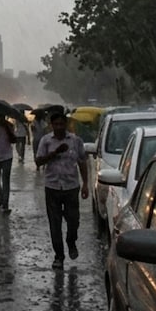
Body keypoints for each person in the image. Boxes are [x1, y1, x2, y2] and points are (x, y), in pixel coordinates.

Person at [35, 112, 89, 270]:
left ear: (65, 125)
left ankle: (71, 241)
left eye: (61, 124)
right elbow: (38, 161)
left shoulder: (75, 141)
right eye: (56, 124)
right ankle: (59, 256)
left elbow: (82, 162)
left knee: (73, 221)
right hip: (52, 188)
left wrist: (85, 184)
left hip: (71, 187)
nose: (59, 127)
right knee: (55, 224)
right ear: (52, 126)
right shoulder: (46, 141)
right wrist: (54, 153)